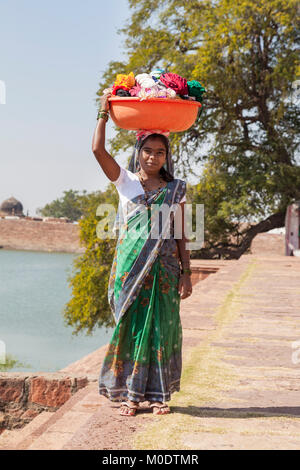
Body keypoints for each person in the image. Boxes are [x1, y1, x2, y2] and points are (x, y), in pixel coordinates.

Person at [92, 90, 193, 416]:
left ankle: (160, 396)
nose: (153, 157)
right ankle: (130, 397)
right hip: (130, 270)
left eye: (159, 152)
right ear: (138, 153)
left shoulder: (175, 189)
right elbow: (97, 149)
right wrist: (103, 113)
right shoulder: (126, 183)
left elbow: (180, 233)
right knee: (131, 329)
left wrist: (187, 272)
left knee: (161, 329)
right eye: (147, 151)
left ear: (167, 156)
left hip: (164, 272)